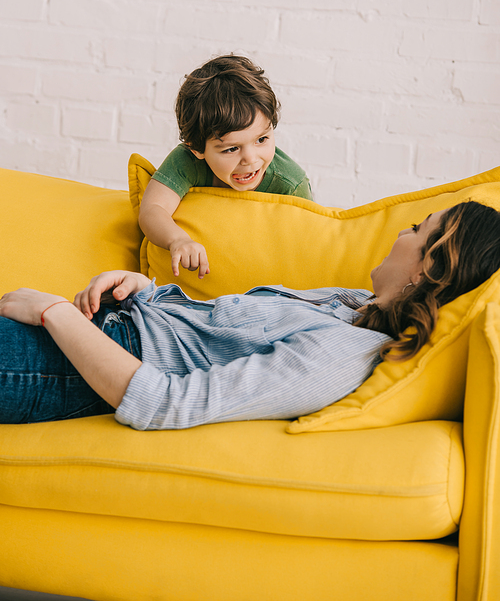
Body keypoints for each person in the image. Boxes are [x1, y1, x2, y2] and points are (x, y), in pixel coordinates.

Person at [1, 201, 499, 430]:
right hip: (103, 328)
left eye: (416, 228)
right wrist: (146, 291)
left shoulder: (340, 354)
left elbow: (165, 402)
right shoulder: (348, 305)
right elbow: (216, 332)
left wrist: (53, 312)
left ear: (429, 266)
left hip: (74, 364)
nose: (400, 234)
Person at [139, 55, 313, 279]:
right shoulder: (187, 162)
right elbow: (152, 209)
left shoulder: (291, 184)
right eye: (231, 149)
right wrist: (178, 239)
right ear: (196, 148)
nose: (250, 159)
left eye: (262, 139)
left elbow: (307, 247)